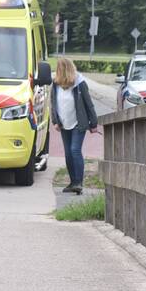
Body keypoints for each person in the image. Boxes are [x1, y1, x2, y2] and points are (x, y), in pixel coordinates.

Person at [51, 57, 98, 195]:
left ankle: (79, 183)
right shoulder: (55, 84)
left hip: (78, 122)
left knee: (74, 150)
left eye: (59, 69)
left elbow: (89, 103)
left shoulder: (79, 83)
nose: (57, 71)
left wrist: (93, 123)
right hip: (64, 123)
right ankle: (72, 182)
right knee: (68, 153)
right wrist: (55, 121)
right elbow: (53, 103)